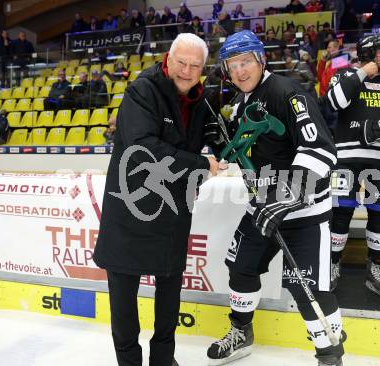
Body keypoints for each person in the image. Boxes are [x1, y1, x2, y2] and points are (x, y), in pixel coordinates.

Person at [206, 30, 345, 366]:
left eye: (246, 62)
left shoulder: (287, 92)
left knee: (308, 288)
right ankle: (242, 332)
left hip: (303, 208)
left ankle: (330, 355)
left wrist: (287, 195)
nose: (239, 71)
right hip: (262, 208)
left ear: (261, 59)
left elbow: (321, 150)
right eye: (232, 65)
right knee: (241, 268)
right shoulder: (240, 103)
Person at [93, 33, 226, 366]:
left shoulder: (203, 98)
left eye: (195, 66)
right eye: (181, 62)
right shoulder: (143, 90)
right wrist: (200, 164)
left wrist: (224, 143)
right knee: (124, 301)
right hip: (130, 209)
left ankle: (164, 359)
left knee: (169, 296)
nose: (187, 71)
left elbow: (215, 136)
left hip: (173, 210)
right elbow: (142, 150)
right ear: (169, 58)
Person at [326, 35, 380, 296]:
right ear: (367, 53)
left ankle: (376, 266)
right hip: (345, 156)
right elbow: (335, 102)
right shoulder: (343, 75)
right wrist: (363, 72)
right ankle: (332, 264)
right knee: (340, 212)